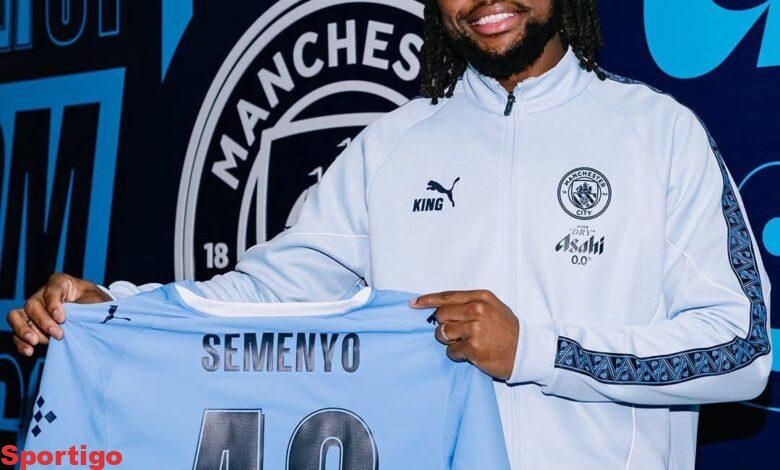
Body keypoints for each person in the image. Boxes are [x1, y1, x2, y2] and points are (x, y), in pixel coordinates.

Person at [8, 0, 772, 468]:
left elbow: (742, 351)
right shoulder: (393, 144)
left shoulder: (658, 134)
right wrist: (118, 308)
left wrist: (537, 350)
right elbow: (269, 293)